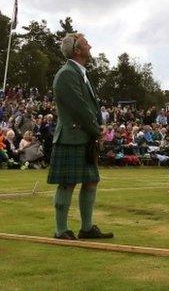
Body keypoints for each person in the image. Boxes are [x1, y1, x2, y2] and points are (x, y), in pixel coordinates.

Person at [47, 33, 113, 240]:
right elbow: (80, 109)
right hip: (71, 136)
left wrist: (97, 128)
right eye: (86, 44)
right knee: (67, 183)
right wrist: (97, 129)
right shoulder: (66, 74)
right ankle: (61, 230)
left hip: (84, 136)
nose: (90, 46)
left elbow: (89, 108)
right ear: (77, 50)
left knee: (90, 181)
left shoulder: (80, 73)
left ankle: (86, 228)